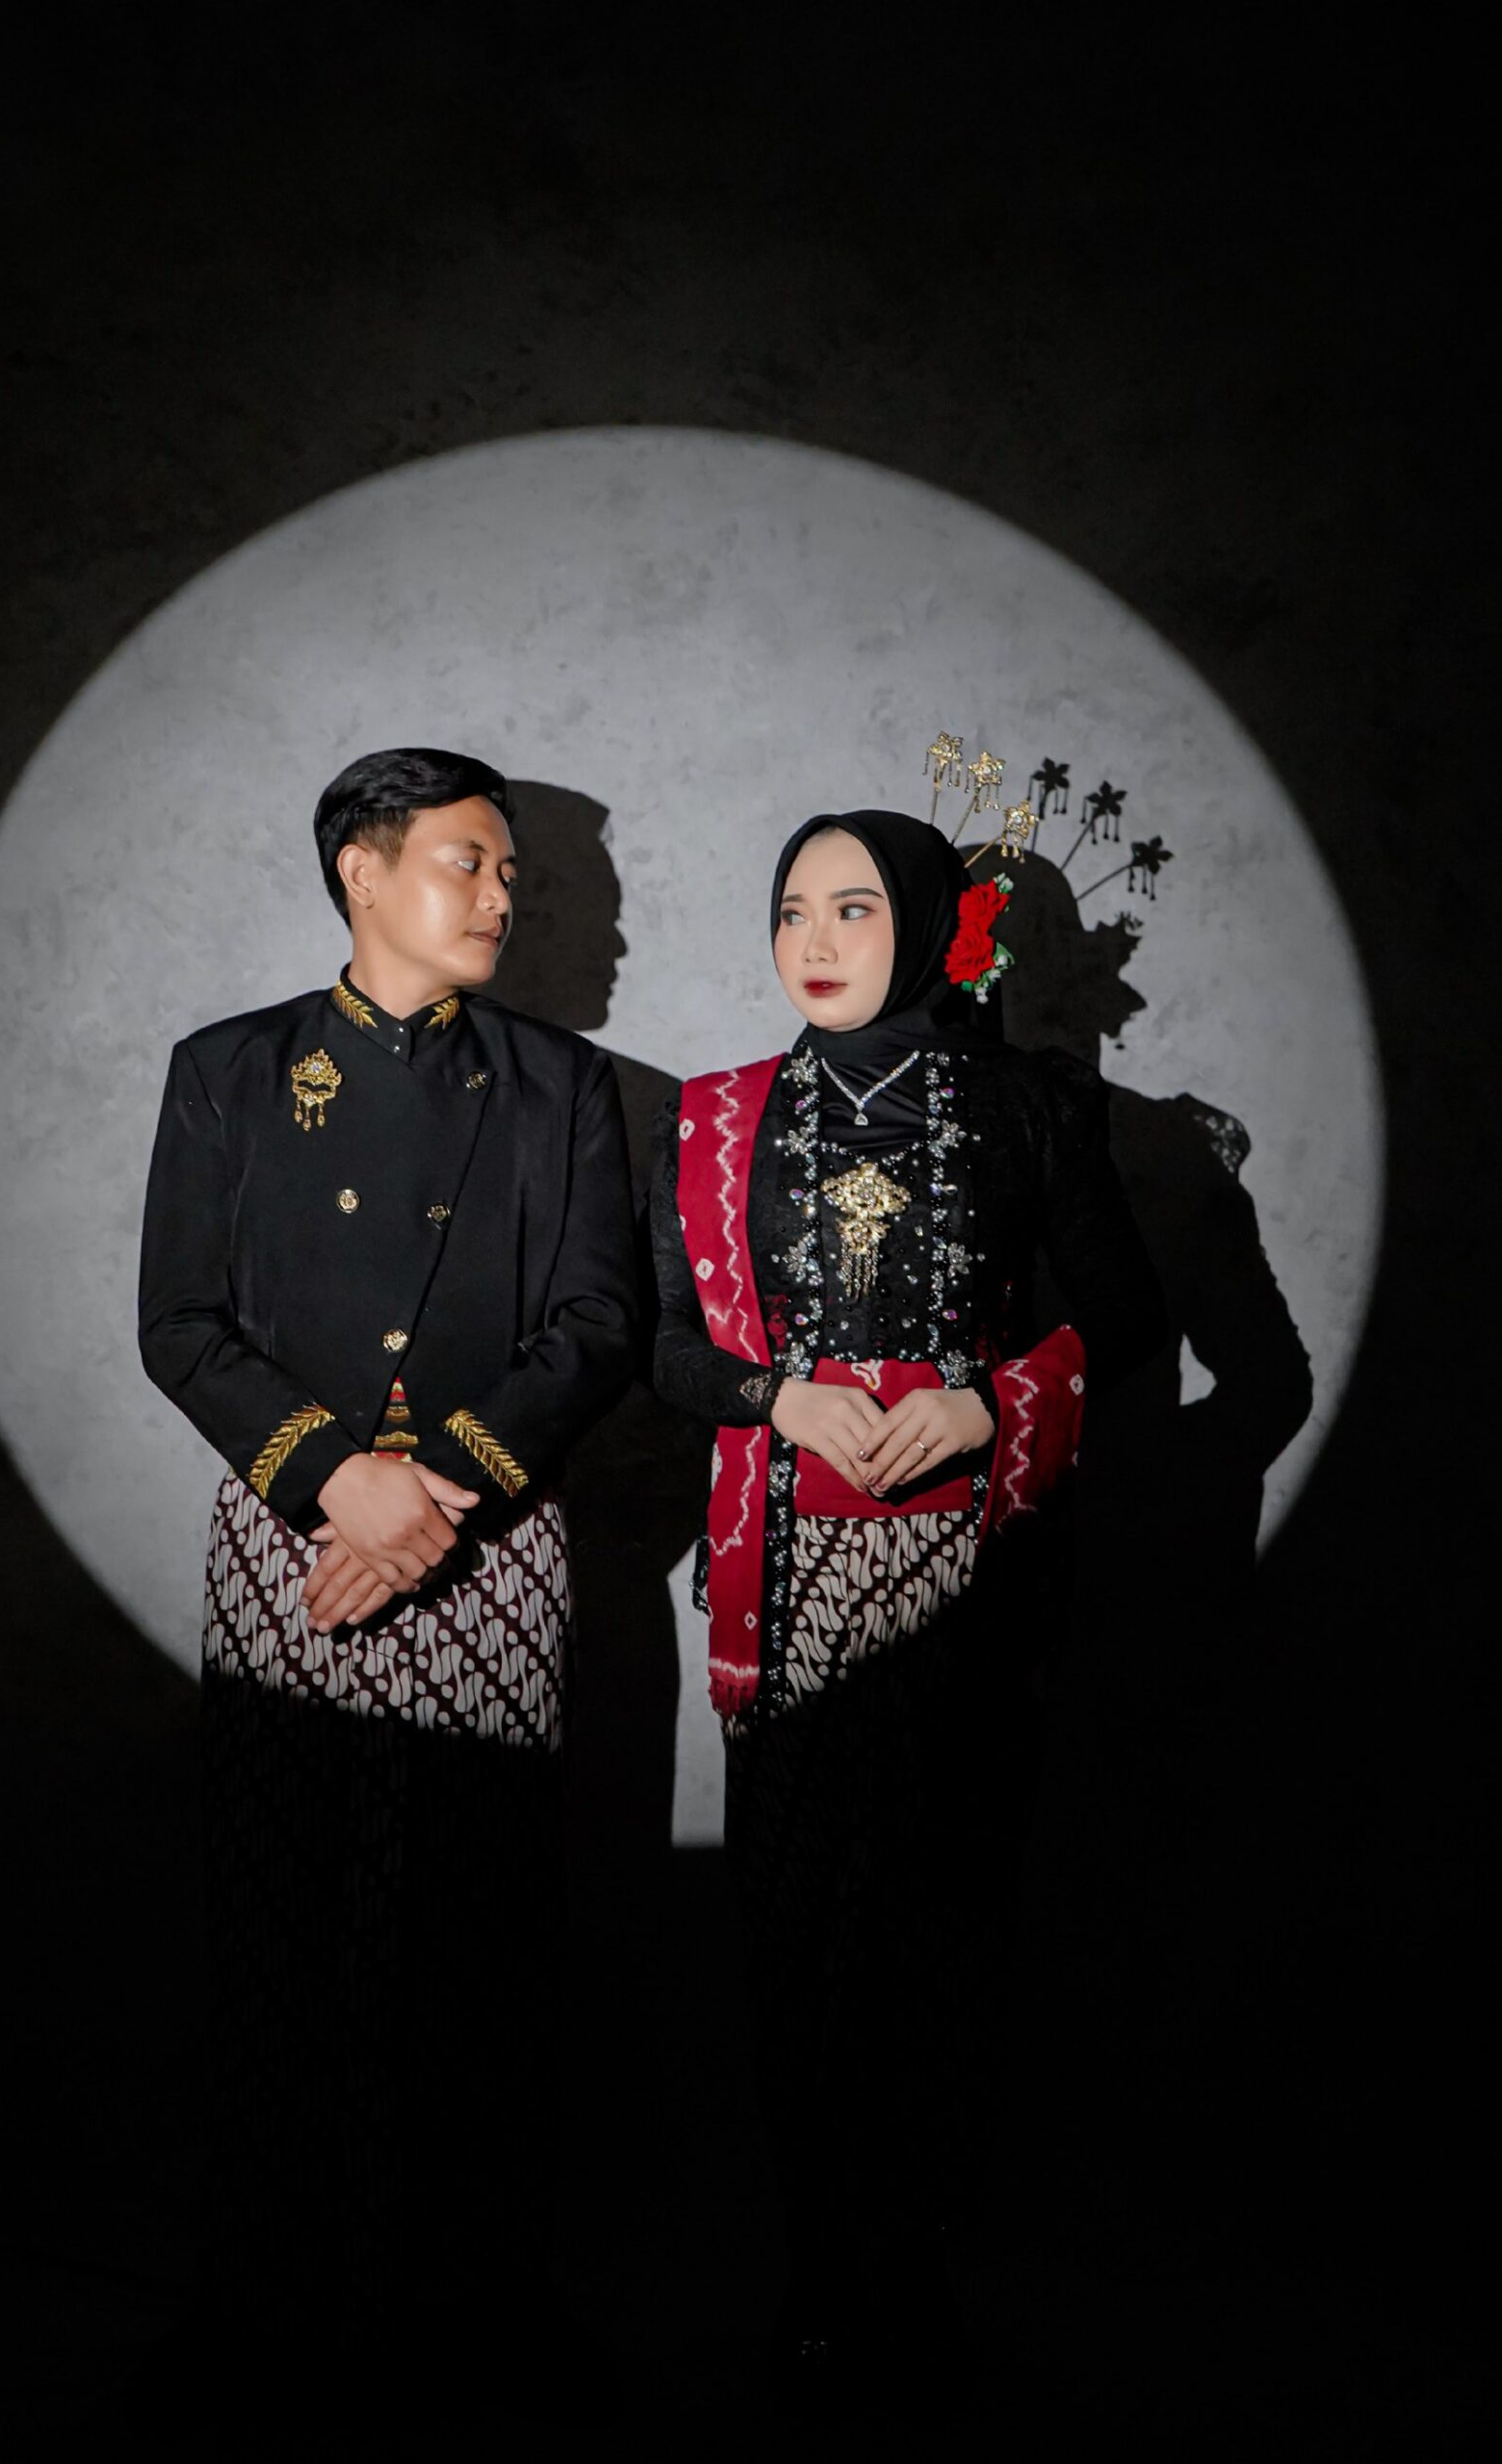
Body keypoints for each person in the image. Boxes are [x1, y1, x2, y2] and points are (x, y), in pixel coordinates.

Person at [648, 808, 1167, 2394]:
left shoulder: (1031, 1108)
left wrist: (984, 1404)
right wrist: (775, 1398)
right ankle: (816, 2259)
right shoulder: (716, 1118)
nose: (812, 942)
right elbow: (664, 1347)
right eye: (791, 910)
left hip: (976, 1574)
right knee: (798, 1929)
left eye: (853, 909)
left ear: (935, 928)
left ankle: (920, 2267)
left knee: (945, 1918)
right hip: (791, 1574)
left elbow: (1129, 1327)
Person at [138, 746, 638, 2369]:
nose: (501, 897)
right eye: (467, 863)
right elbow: (178, 1324)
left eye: (510, 874)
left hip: (493, 1536)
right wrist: (332, 1478)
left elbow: (598, 1325)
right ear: (363, 870)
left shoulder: (561, 1085)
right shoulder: (229, 1070)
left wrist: (437, 1492)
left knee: (483, 1928)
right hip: (293, 1535)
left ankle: (486, 2307)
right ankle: (266, 2308)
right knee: (283, 1920)